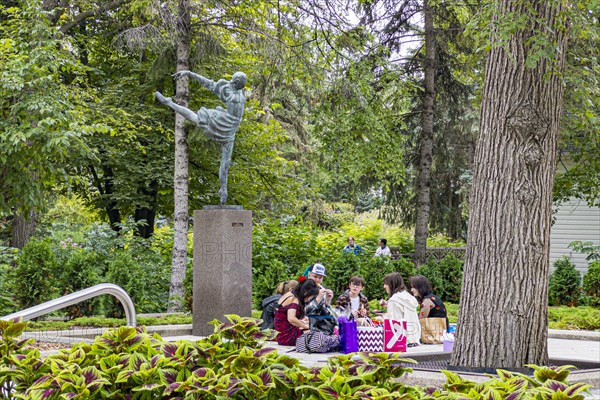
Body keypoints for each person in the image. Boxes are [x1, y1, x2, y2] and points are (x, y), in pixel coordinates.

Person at [155, 70, 247, 205]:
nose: (243, 86)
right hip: (224, 121)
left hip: (232, 128)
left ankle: (223, 190)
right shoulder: (225, 88)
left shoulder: (240, 91)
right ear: (236, 81)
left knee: (226, 163)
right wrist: (189, 73)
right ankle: (169, 103)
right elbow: (207, 83)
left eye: (244, 84)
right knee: (197, 118)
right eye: (242, 83)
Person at [379, 272, 420, 347]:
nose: (384, 286)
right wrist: (388, 304)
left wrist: (382, 317)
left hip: (400, 342)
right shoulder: (408, 297)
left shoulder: (394, 301)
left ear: (392, 284)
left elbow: (393, 323)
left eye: (386, 284)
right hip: (414, 340)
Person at [273, 278, 312, 346]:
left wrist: (301, 321)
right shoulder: (294, 298)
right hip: (288, 337)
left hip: (281, 336)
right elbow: (291, 318)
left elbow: (284, 317)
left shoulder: (286, 295)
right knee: (317, 332)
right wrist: (305, 326)